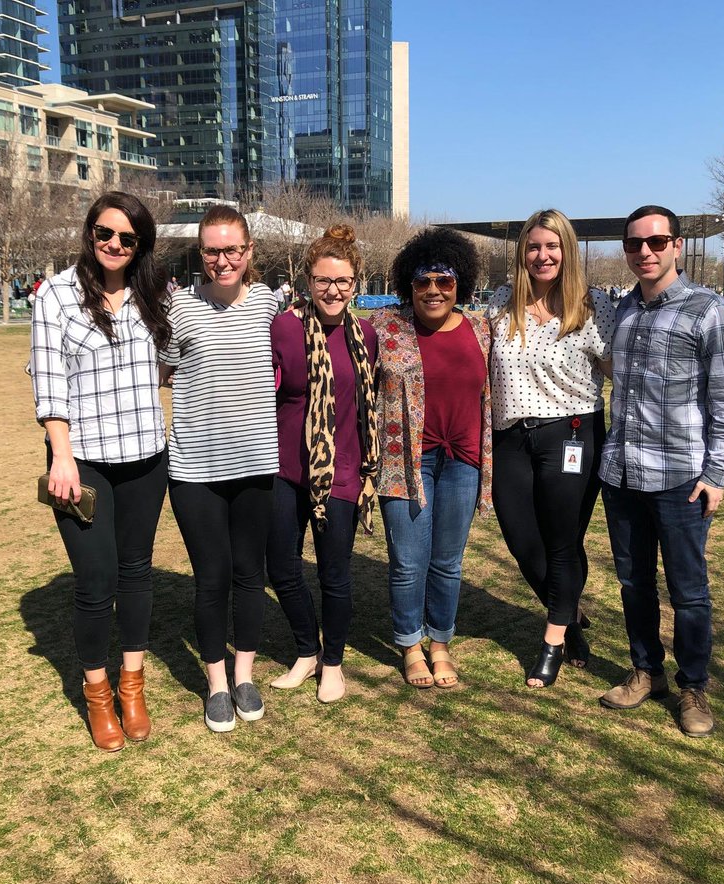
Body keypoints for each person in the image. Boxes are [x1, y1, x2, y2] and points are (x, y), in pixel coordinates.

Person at [29, 191, 172, 752]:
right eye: (104, 233)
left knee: (136, 572)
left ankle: (131, 685)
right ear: (90, 234)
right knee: (95, 581)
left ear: (141, 246)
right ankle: (97, 693)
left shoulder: (156, 294)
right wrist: (60, 455)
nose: (114, 244)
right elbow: (48, 379)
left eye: (127, 238)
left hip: (144, 456)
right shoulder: (57, 295)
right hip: (81, 460)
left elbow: (178, 356)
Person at [598, 205, 724, 738]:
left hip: (682, 477)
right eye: (636, 243)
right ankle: (646, 671)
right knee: (633, 581)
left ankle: (694, 686)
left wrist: (718, 472)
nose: (646, 252)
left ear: (678, 246)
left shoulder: (708, 311)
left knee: (688, 589)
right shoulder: (622, 312)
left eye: (657, 242)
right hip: (621, 474)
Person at [161, 205, 279, 733]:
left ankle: (245, 673)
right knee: (211, 578)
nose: (223, 259)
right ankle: (216, 684)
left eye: (233, 249)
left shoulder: (272, 307)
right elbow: (158, 373)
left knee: (250, 574)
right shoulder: (179, 309)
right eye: (213, 250)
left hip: (256, 464)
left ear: (249, 251)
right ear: (201, 253)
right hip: (195, 469)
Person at [487, 209, 614, 687]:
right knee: (523, 542)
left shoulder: (591, 304)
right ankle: (571, 616)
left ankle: (554, 640)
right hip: (511, 438)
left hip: (572, 435)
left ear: (568, 251)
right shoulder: (502, 303)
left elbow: (616, 369)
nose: (543, 255)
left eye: (553, 246)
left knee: (563, 544)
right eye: (535, 246)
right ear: (523, 252)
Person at [370, 228, 492, 689]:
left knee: (448, 561)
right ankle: (410, 645)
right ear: (409, 284)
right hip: (406, 461)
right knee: (407, 560)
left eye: (444, 280)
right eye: (423, 281)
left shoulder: (483, 328)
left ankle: (440, 642)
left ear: (460, 283)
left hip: (463, 460)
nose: (434, 290)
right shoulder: (386, 327)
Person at [266, 224, 380, 704]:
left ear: (356, 283)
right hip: (284, 470)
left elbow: (367, 408)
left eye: (343, 282)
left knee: (334, 574)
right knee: (282, 566)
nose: (333, 291)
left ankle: (333, 662)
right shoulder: (285, 327)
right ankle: (306, 650)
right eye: (323, 281)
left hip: (341, 473)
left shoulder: (366, 336)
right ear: (307, 282)